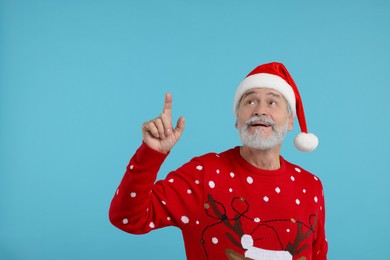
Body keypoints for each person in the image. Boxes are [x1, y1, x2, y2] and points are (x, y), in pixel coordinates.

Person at [109, 62, 328, 260]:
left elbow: (319, 255)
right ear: (237, 119)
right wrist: (150, 155)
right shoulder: (203, 174)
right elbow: (128, 217)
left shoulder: (310, 186)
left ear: (290, 121)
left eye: (272, 102)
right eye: (250, 101)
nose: (260, 110)